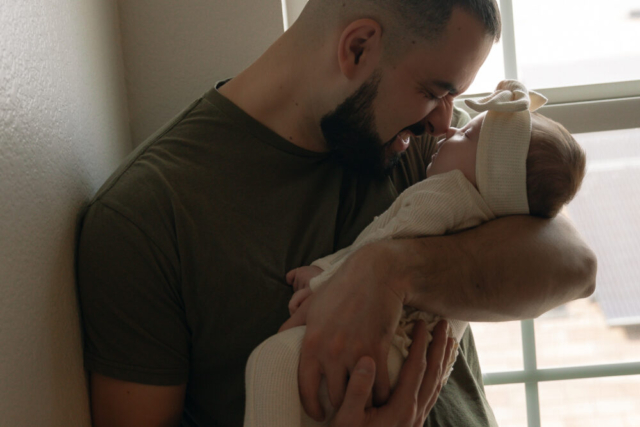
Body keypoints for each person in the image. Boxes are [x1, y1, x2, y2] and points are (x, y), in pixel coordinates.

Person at [76, 1, 597, 426]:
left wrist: (389, 272)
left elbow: (576, 267)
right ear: (358, 47)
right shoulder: (146, 217)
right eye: (435, 92)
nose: (445, 120)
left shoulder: (429, 143)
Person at [243, 80, 587, 427]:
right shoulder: (488, 210)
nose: (446, 125)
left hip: (392, 345)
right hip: (408, 357)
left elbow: (384, 239)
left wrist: (323, 282)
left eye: (465, 134)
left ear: (491, 173)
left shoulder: (444, 191)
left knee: (271, 360)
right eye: (433, 90)